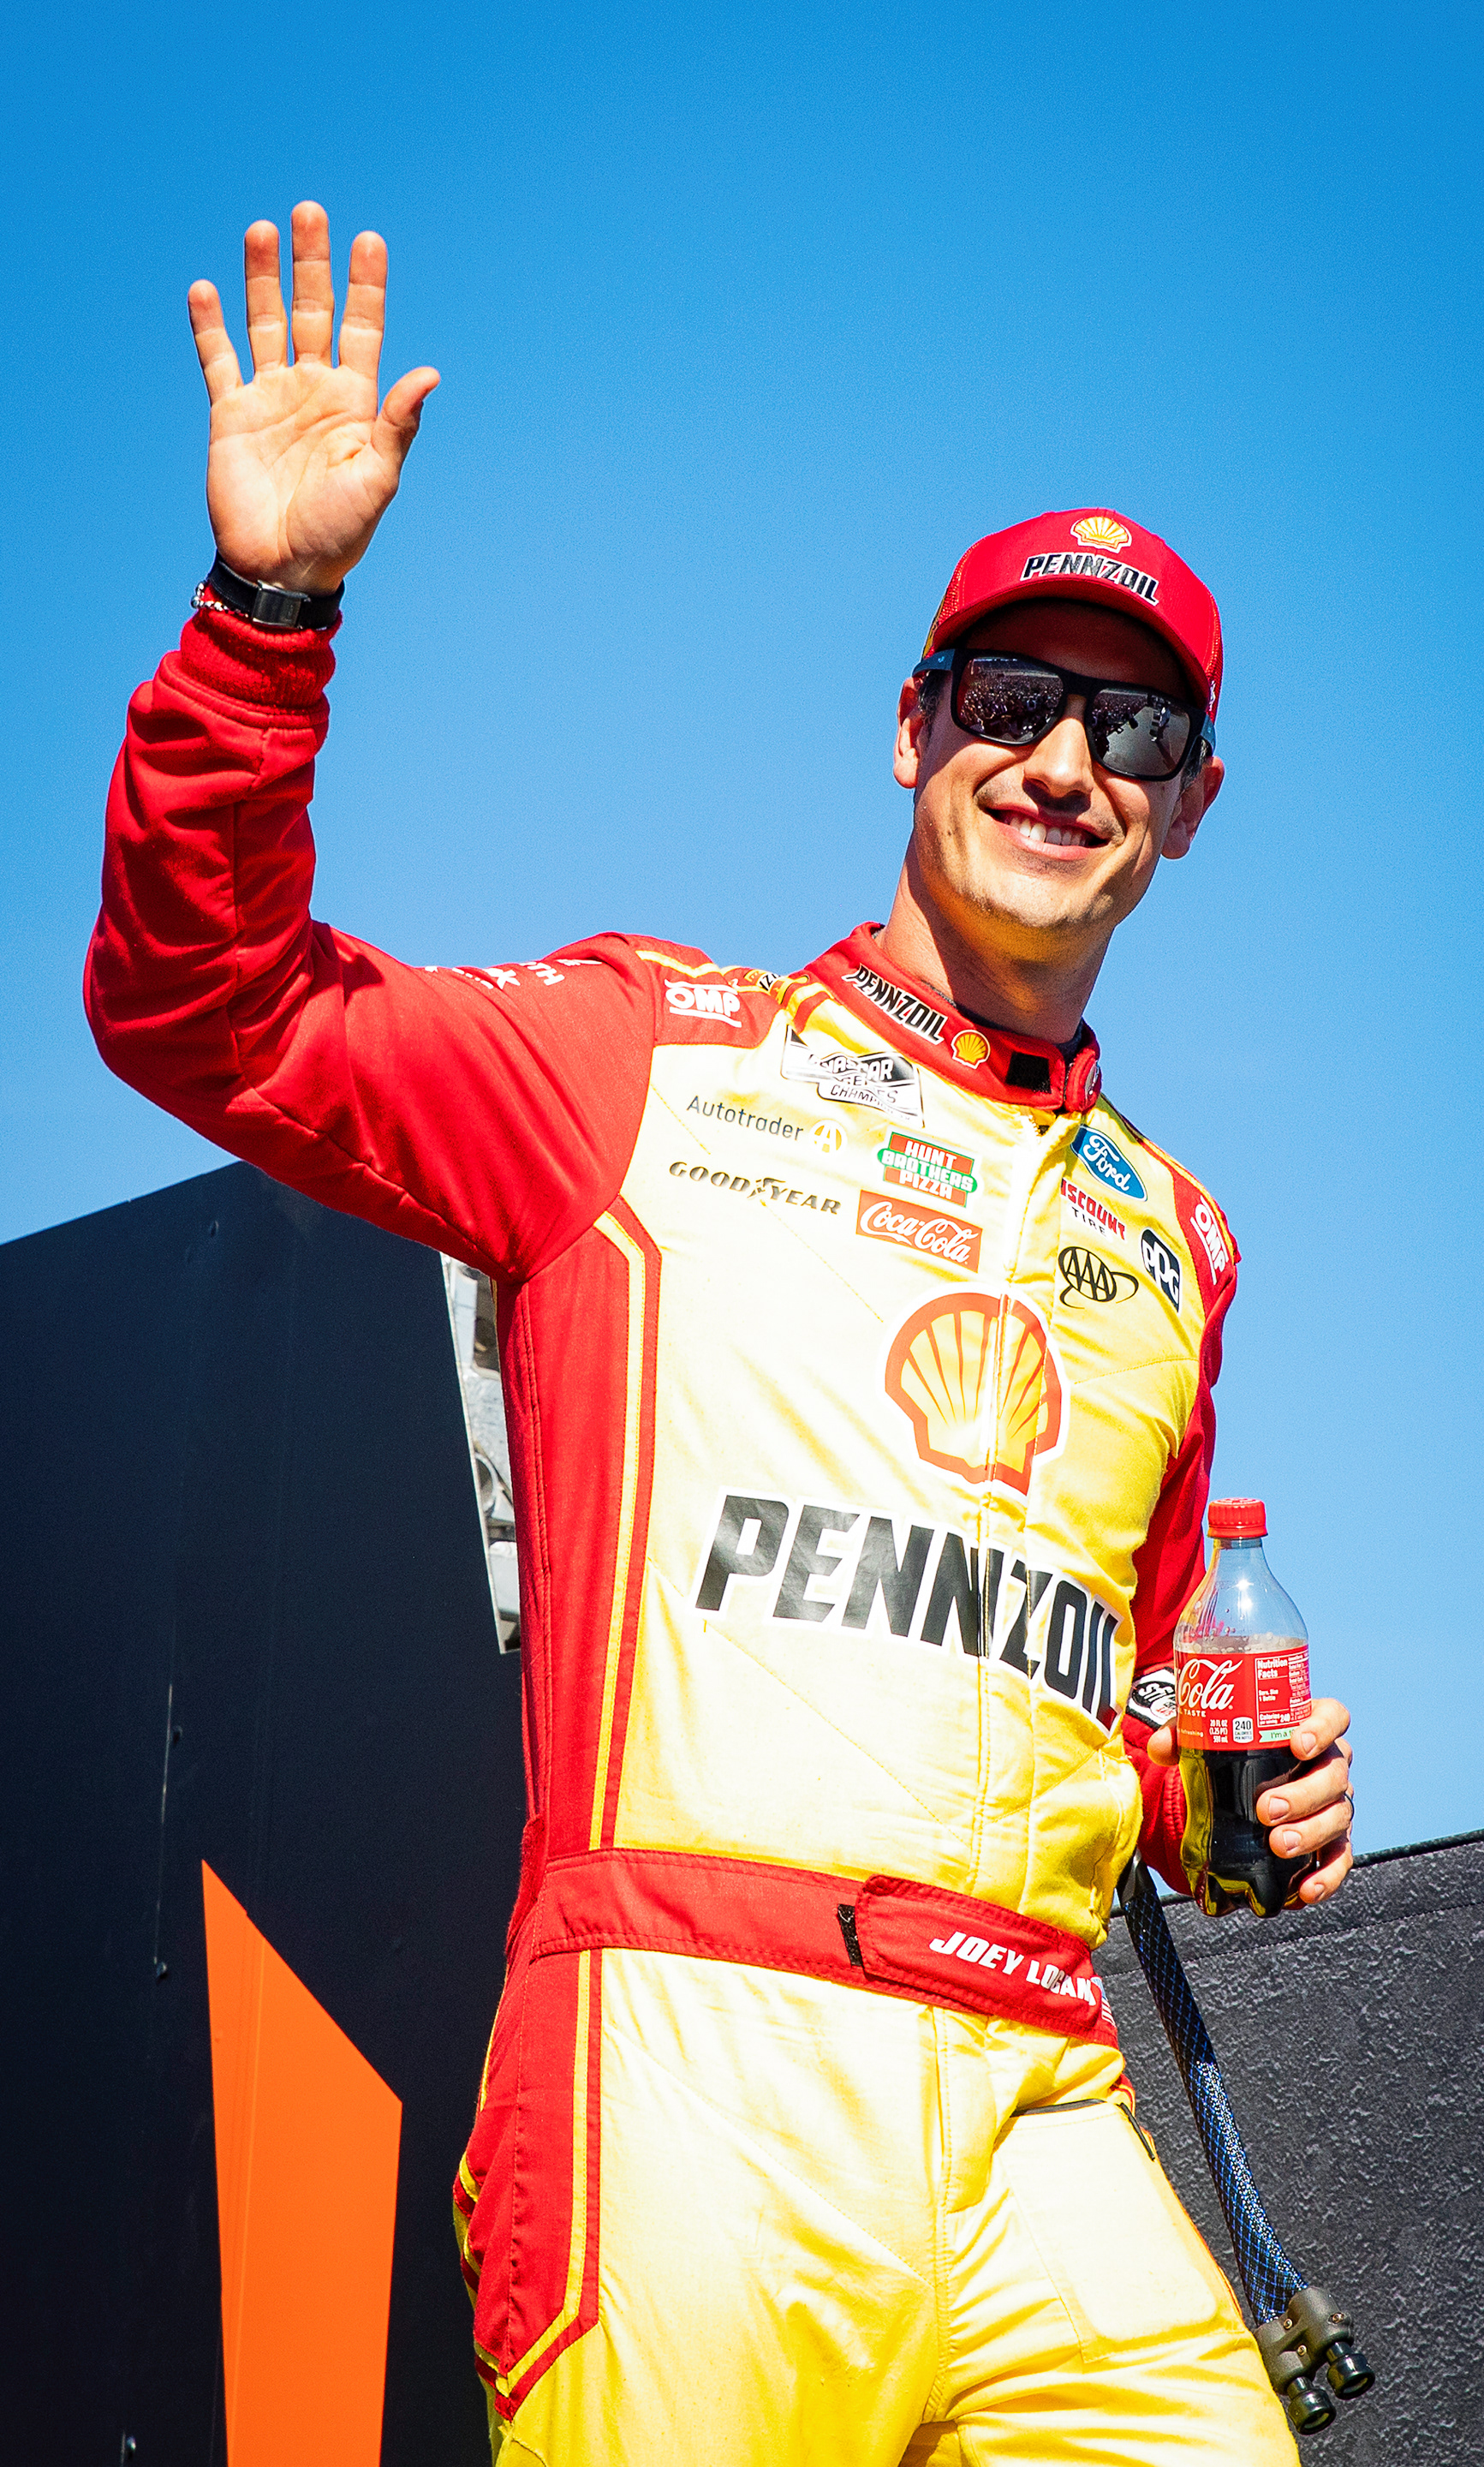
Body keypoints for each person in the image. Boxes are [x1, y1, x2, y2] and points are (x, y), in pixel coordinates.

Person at [88, 205, 1356, 2465]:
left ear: (1190, 804)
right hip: (691, 2053)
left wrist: (1230, 1806)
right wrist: (269, 618)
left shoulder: (1178, 1236)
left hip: (1049, 2096)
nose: (1063, 759)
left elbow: (1148, 1691)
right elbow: (209, 1009)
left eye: (1130, 723)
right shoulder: (639, 1054)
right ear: (911, 730)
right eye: (1010, 699)